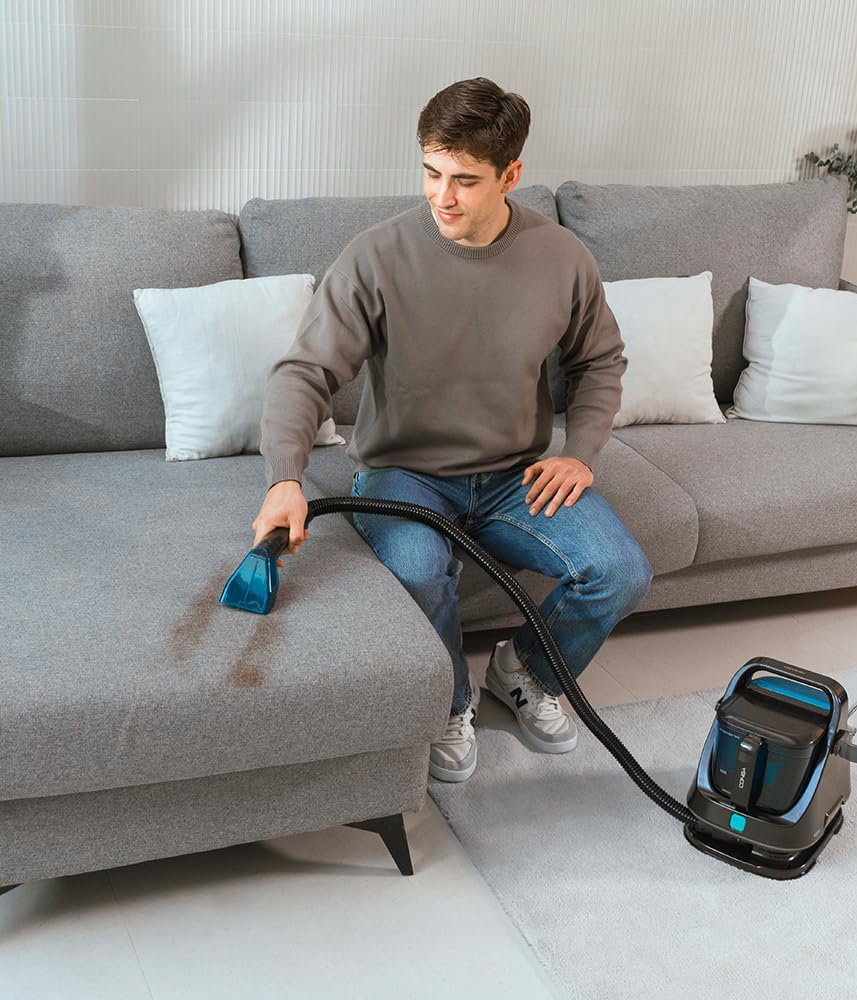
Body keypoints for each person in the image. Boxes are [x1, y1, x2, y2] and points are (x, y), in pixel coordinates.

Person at [253, 77, 653, 783]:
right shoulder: (376, 256)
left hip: (512, 477)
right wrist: (284, 478)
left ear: (511, 176)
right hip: (403, 474)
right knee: (417, 570)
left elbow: (599, 361)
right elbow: (305, 371)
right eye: (432, 173)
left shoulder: (561, 258)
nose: (443, 196)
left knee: (620, 570)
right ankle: (450, 702)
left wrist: (582, 454)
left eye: (465, 180)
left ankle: (526, 671)